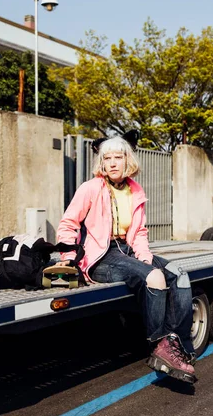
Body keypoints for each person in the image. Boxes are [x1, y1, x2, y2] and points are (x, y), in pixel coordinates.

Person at [56, 131, 197, 385]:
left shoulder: (135, 190)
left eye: (117, 157)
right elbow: (68, 223)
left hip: (128, 250)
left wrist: (144, 258)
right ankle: (159, 345)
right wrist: (68, 257)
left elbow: (140, 232)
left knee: (180, 275)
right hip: (101, 256)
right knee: (154, 278)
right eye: (107, 158)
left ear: (127, 160)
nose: (112, 163)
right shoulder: (91, 188)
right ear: (101, 162)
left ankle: (176, 340)